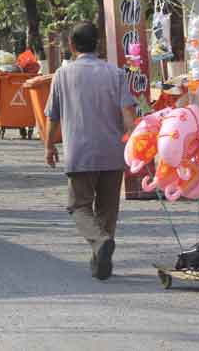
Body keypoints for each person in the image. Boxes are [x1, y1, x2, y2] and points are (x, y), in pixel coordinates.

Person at [43, 21, 139, 281]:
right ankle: (100, 261)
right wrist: (137, 145)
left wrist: (49, 145)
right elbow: (128, 113)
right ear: (97, 44)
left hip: (80, 154)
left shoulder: (62, 75)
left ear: (72, 46)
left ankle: (100, 242)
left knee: (78, 206)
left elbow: (52, 116)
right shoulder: (115, 73)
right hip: (112, 153)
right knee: (107, 210)